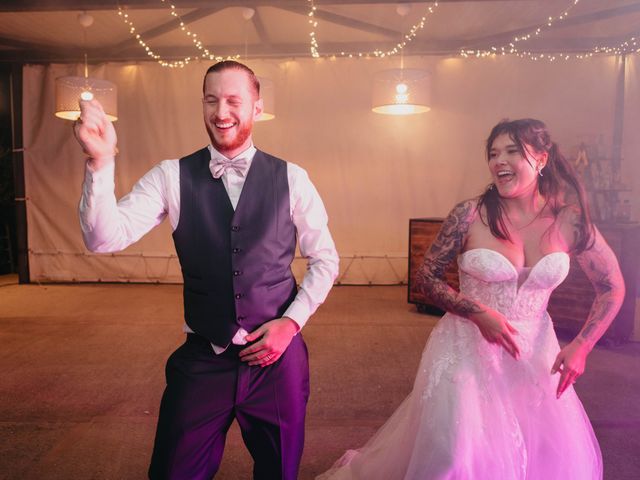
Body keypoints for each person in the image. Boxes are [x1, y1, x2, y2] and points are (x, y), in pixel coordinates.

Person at [74, 60, 339, 480]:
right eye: (212, 100)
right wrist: (101, 161)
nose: (222, 112)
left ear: (257, 107)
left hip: (278, 361)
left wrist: (291, 324)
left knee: (280, 471)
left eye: (234, 100)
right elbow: (103, 238)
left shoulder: (293, 178)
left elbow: (326, 259)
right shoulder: (170, 176)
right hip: (203, 358)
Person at [318, 118, 624, 480]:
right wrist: (477, 313)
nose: (499, 161)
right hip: (466, 348)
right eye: (494, 154)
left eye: (512, 151)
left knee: (541, 454)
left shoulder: (569, 220)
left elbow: (611, 285)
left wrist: (583, 346)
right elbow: (426, 278)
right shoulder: (469, 215)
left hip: (536, 354)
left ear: (540, 159)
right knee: (454, 456)